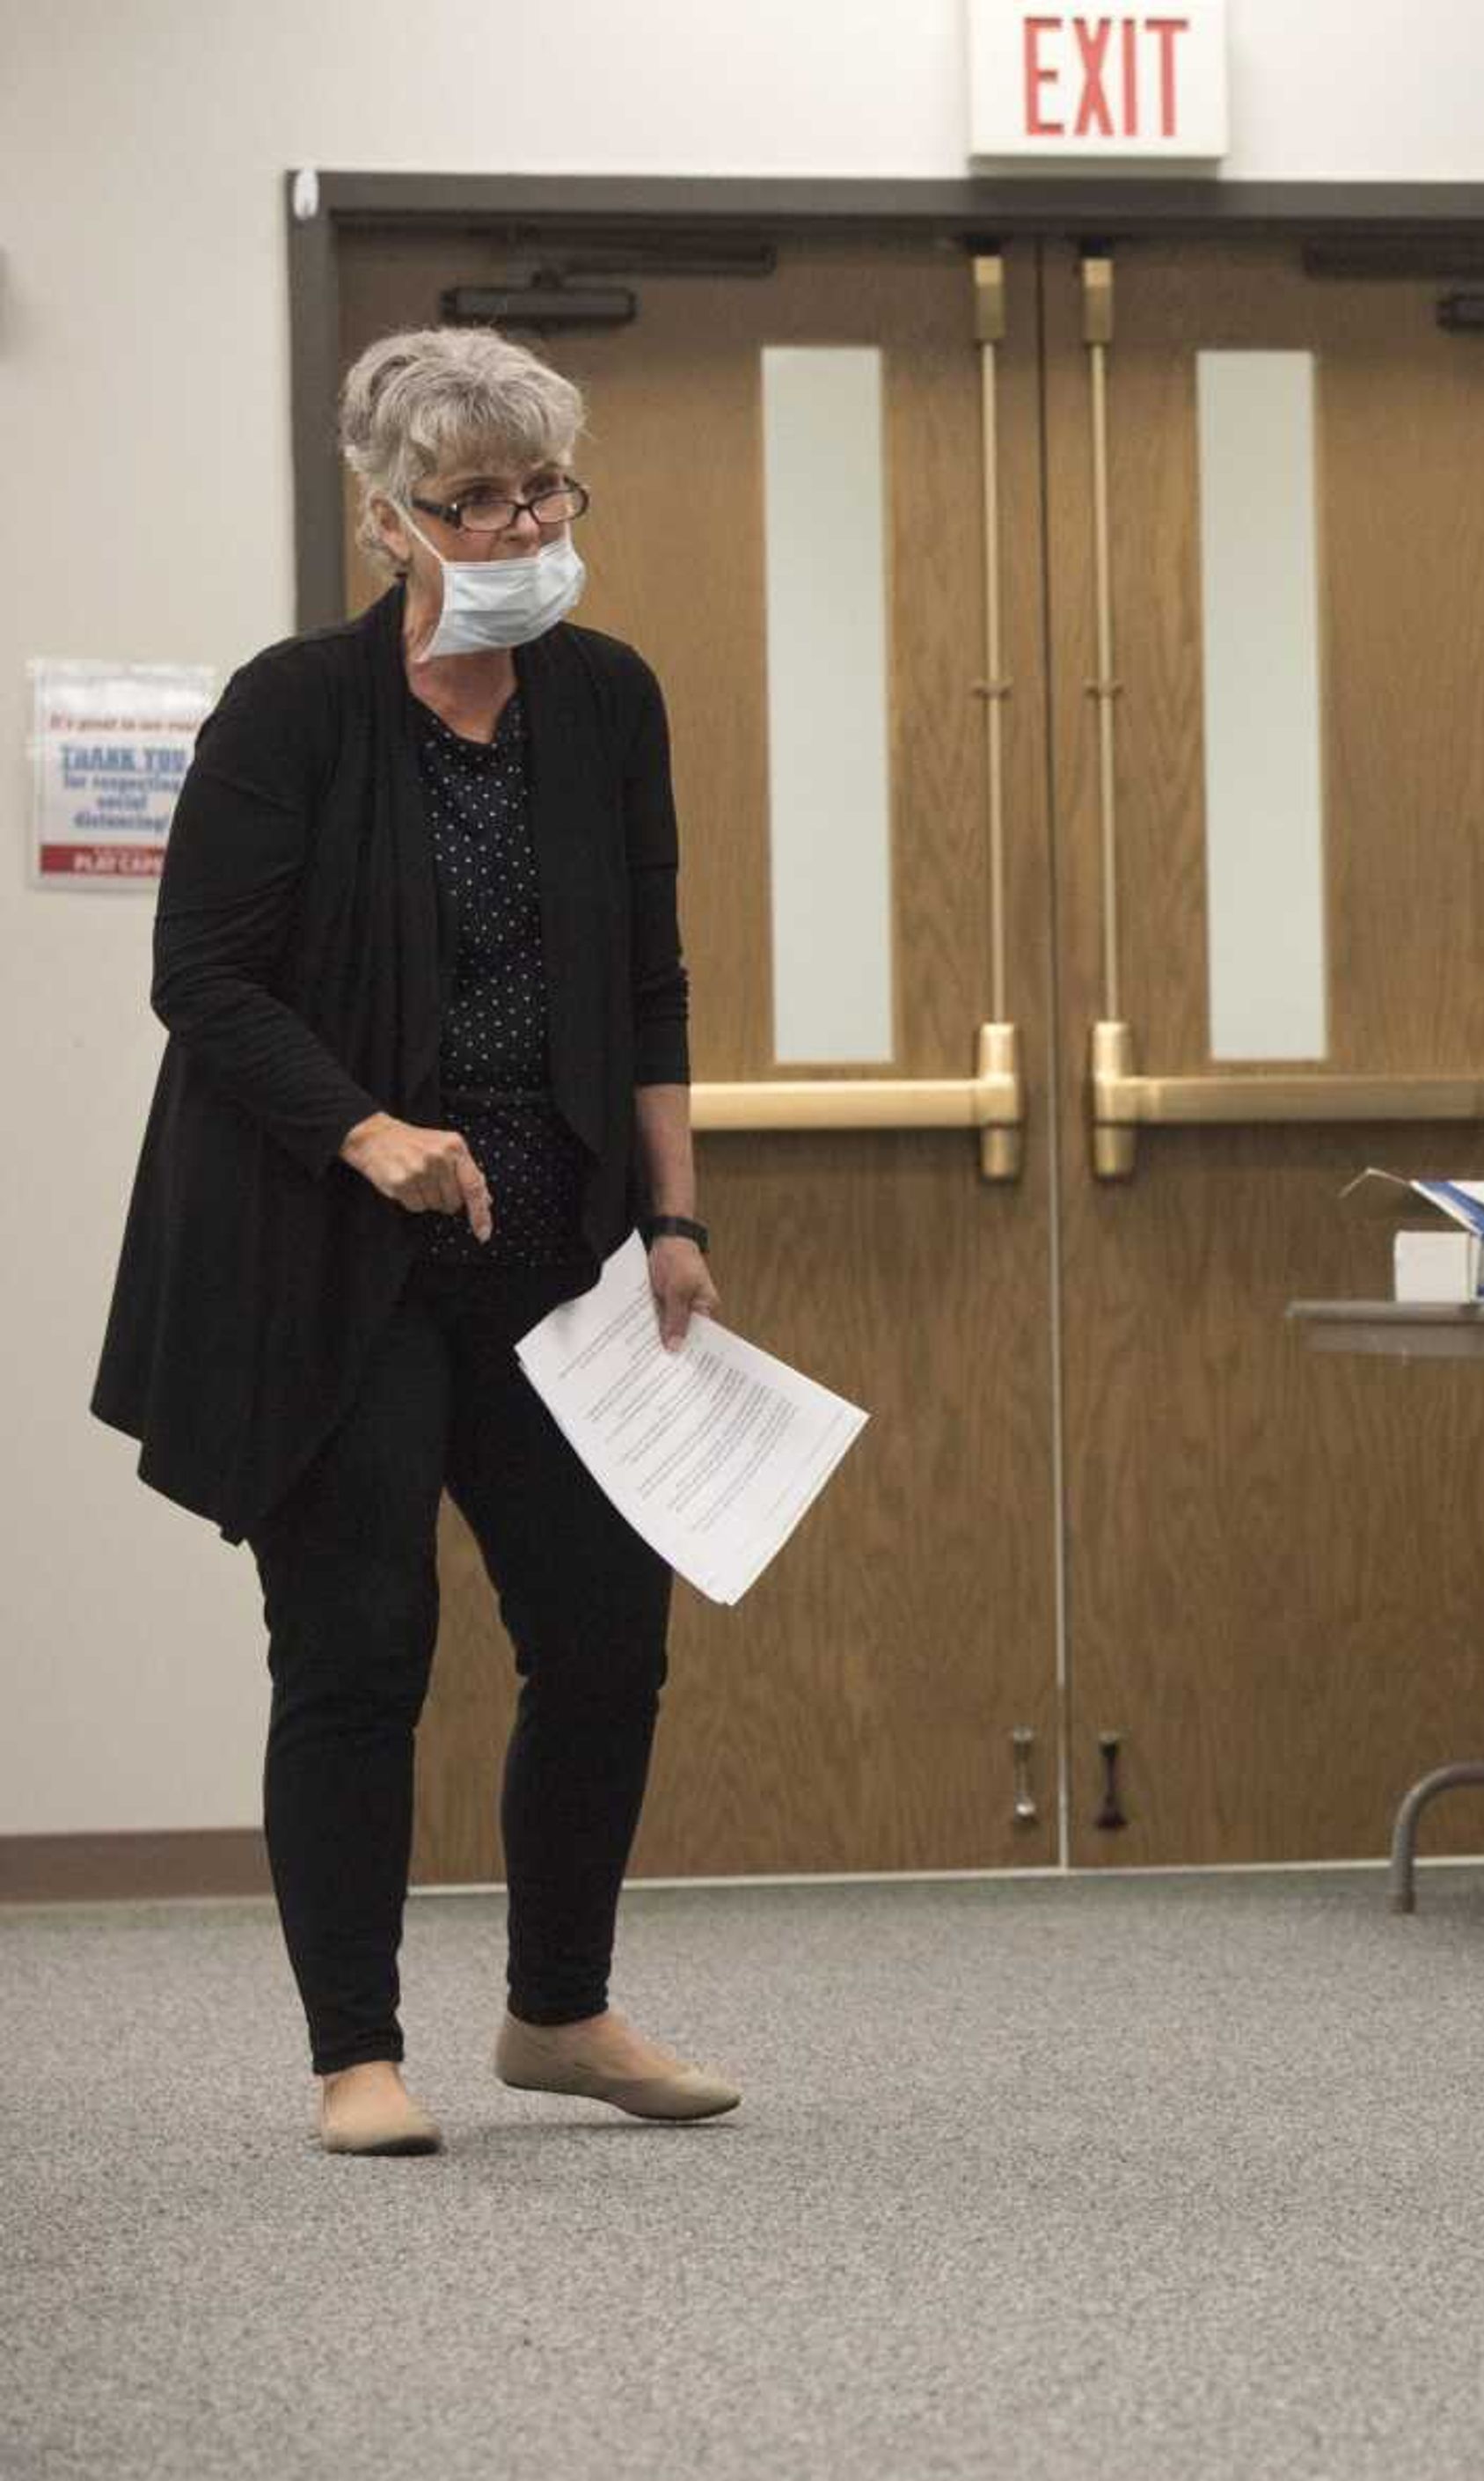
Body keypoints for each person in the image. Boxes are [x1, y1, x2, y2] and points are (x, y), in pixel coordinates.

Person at [91, 327, 740, 2155]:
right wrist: (365, 1129)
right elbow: (201, 976)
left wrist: (675, 1213)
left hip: (560, 1260)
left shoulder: (606, 698)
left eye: (547, 487)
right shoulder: (294, 709)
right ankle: (355, 2054)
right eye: (479, 499)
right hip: (336, 1266)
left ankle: (560, 2010)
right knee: (361, 1648)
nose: (525, 521)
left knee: (613, 1638)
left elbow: (652, 983)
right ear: (391, 523)